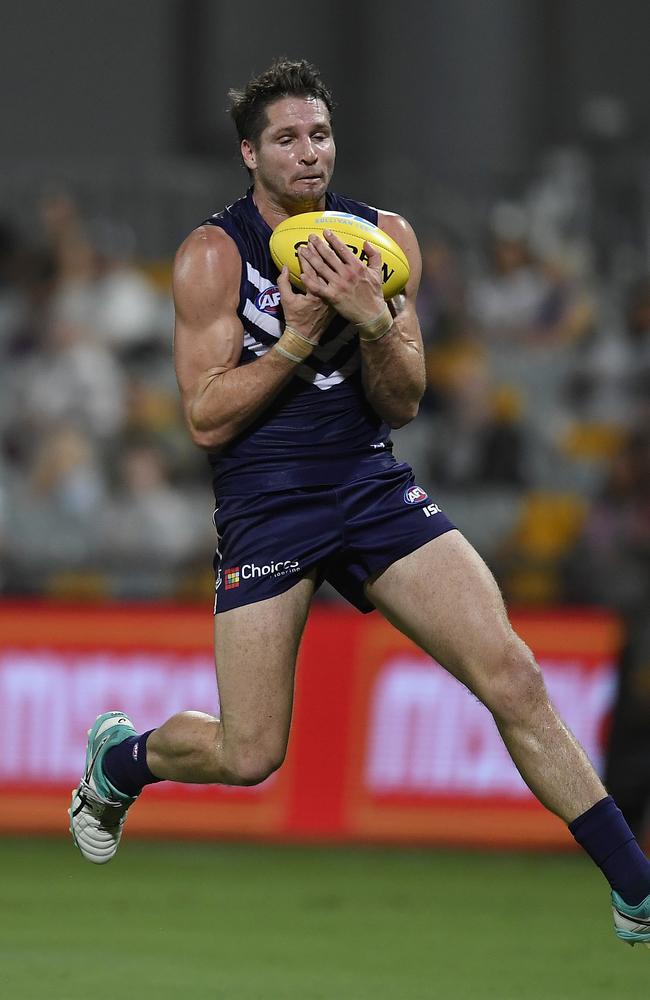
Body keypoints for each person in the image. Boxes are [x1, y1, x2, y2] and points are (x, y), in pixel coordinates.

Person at [69, 58, 650, 947]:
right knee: (250, 752)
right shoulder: (212, 256)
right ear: (249, 155)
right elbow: (204, 419)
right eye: (288, 140)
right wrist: (299, 340)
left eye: (321, 135)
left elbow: (406, 399)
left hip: (369, 485)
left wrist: (375, 320)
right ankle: (122, 759)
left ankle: (636, 890)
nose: (310, 155)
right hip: (268, 504)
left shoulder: (384, 238)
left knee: (515, 676)